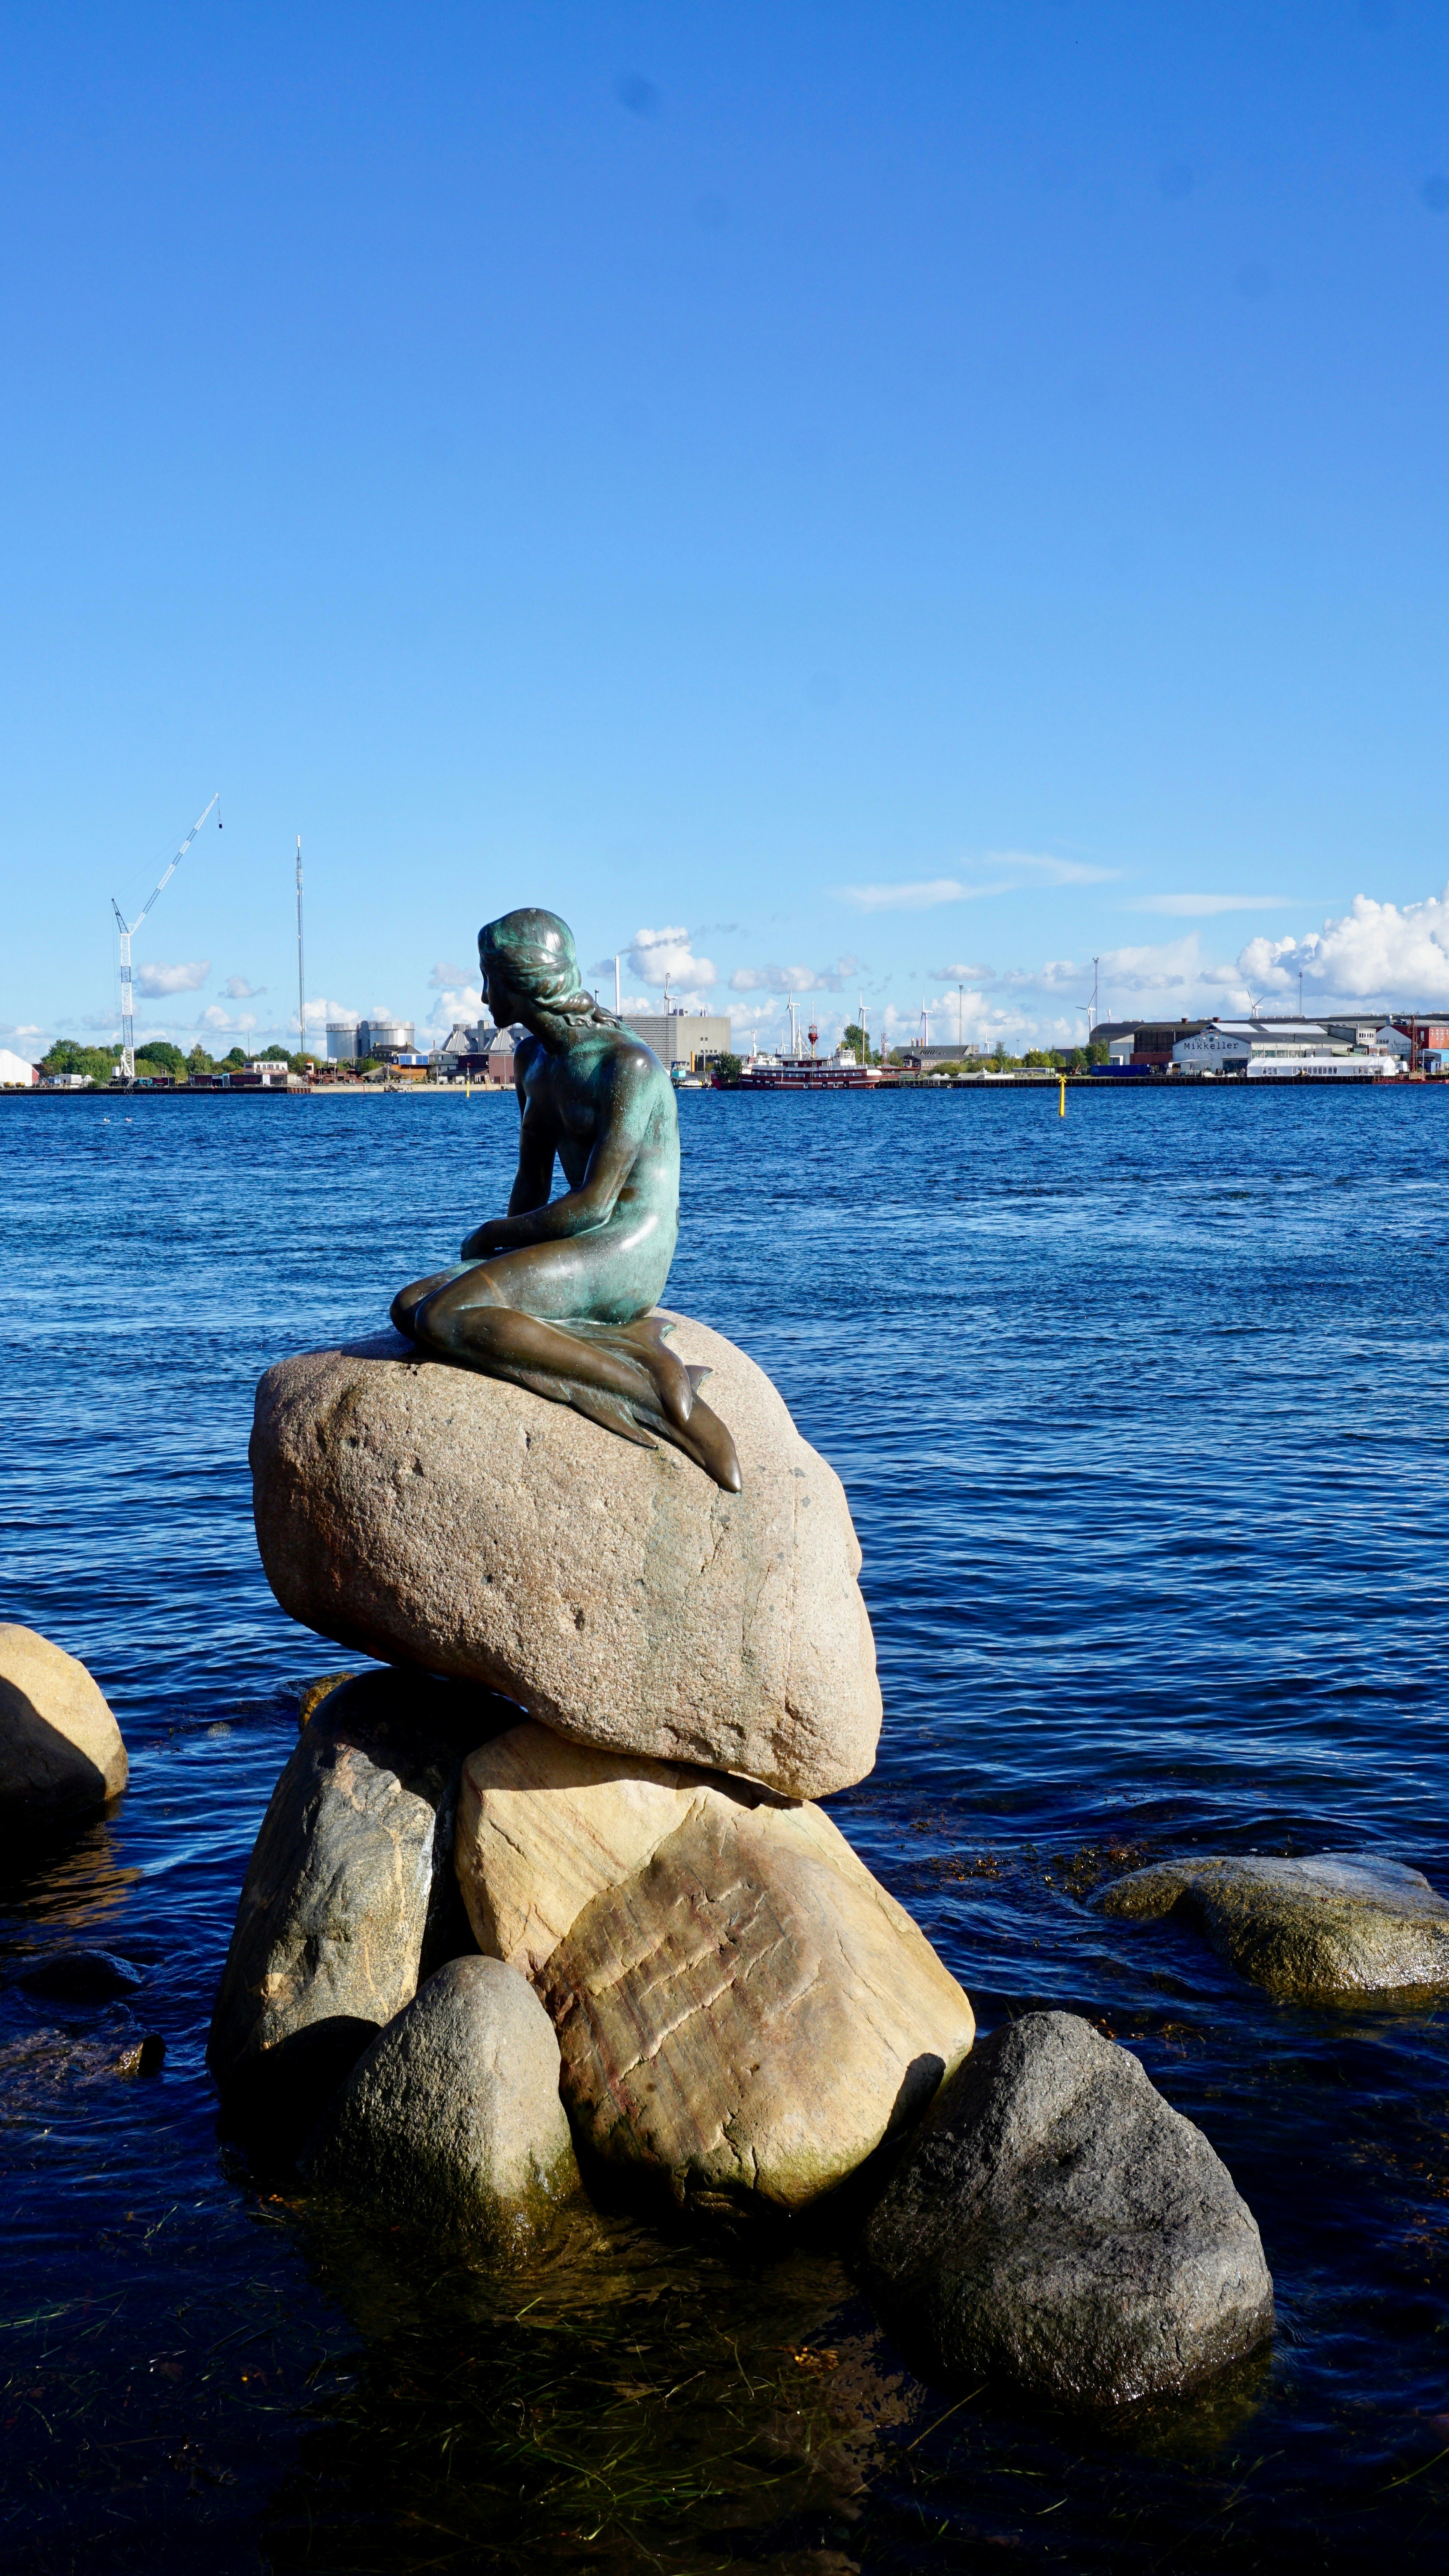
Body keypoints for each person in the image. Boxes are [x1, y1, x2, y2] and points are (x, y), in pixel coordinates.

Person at [390, 908, 741, 1490]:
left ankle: (660, 1395)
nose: (482, 995)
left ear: (527, 979)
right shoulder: (534, 1062)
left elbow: (595, 1206)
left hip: (626, 1246)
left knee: (448, 1314)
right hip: (578, 1238)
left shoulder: (625, 1066)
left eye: (490, 979)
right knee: (411, 1307)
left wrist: (492, 1237)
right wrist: (493, 1252)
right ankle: (607, 1346)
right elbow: (531, 1185)